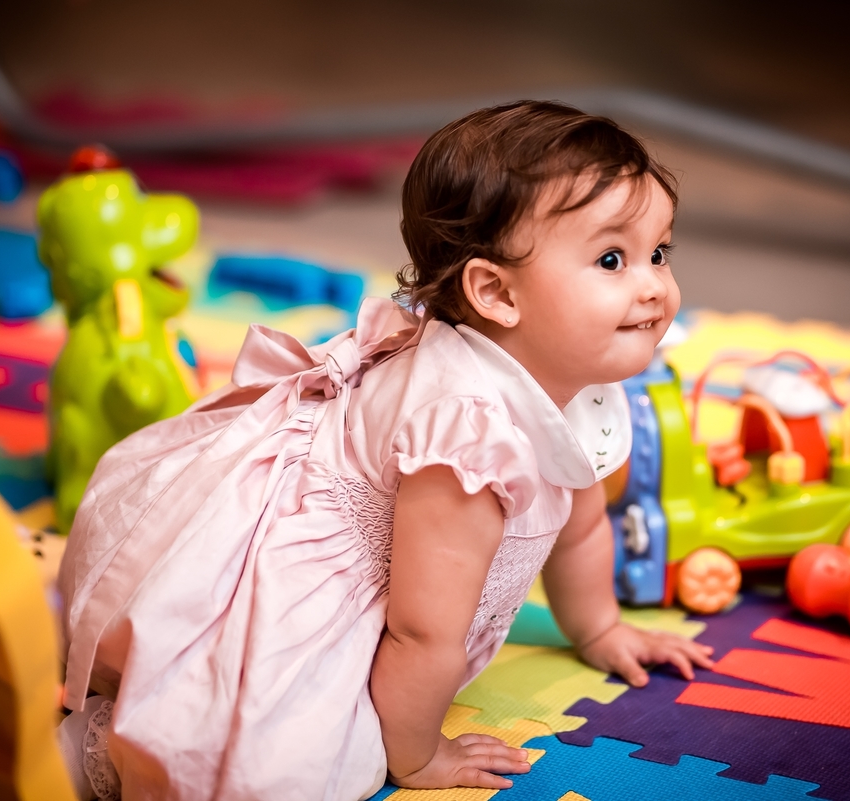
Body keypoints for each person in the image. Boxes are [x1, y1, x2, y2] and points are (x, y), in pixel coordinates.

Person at [56, 100, 714, 801]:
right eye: (613, 259)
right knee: (287, 770)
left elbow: (580, 519)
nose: (654, 286)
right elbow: (421, 632)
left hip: (414, 593)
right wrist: (418, 754)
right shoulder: (468, 436)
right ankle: (84, 752)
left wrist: (600, 628)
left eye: (659, 253)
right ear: (494, 291)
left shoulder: (570, 374)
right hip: (301, 573)